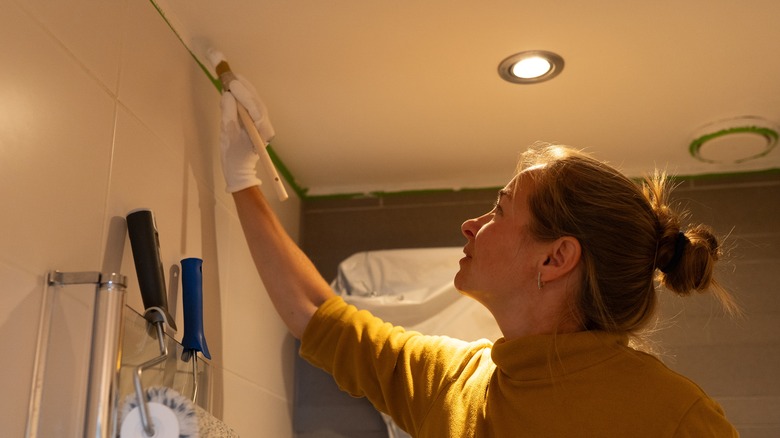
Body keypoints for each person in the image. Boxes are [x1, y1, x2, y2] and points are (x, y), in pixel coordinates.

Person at [217, 79, 740, 437]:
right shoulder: (454, 381)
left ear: (556, 258)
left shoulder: (676, 418)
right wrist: (243, 179)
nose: (471, 224)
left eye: (499, 209)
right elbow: (314, 313)